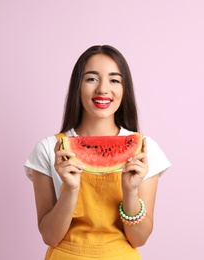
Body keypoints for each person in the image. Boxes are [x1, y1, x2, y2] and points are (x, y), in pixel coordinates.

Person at [24, 45, 171, 260]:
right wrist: (71, 189)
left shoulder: (144, 150)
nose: (103, 89)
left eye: (114, 80)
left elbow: (139, 239)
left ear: (124, 89)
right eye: (91, 79)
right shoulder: (49, 149)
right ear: (78, 86)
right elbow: (49, 236)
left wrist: (130, 191)